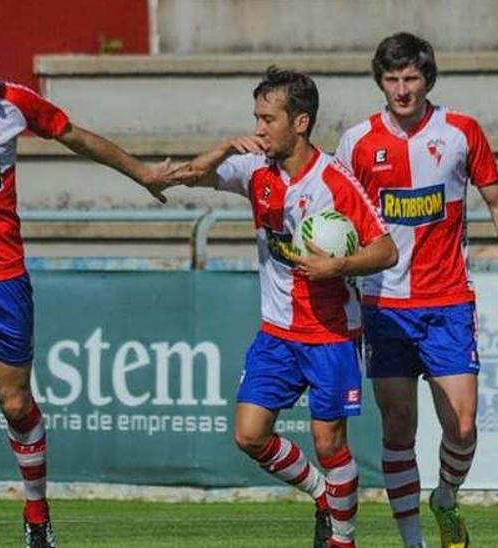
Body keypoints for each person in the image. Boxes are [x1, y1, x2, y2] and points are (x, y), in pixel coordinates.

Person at [0, 15, 176, 548]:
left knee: (15, 405)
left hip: (2, 277)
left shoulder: (13, 103)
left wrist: (142, 173)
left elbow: (75, 136)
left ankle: (36, 514)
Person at [173, 66, 398, 548]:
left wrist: (339, 267)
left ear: (300, 122)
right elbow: (192, 175)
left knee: (328, 443)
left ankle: (342, 538)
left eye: (268, 118)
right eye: (256, 117)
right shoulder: (256, 167)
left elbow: (386, 251)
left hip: (330, 331)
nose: (259, 128)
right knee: (249, 435)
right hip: (277, 331)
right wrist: (227, 148)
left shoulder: (334, 181)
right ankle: (321, 494)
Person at [335, 32, 498, 548]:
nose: (401, 89)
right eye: (392, 79)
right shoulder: (357, 142)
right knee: (398, 430)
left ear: (428, 79)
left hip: (447, 301)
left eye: (411, 78)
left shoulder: (461, 132)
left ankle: (446, 494)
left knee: (462, 426)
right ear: (380, 81)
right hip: (384, 305)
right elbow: (334, 213)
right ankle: (414, 543)